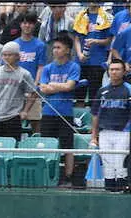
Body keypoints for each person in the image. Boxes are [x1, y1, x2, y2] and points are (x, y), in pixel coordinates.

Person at [39, 35, 80, 185]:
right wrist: (60, 86)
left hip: (65, 112)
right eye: (54, 48)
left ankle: (68, 176)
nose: (55, 50)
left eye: (58, 48)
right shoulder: (48, 68)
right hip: (48, 112)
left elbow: (70, 86)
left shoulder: (74, 67)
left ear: (68, 50)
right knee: (47, 144)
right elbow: (43, 88)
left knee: (67, 146)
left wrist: (53, 86)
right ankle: (46, 175)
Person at [90, 59, 131, 191]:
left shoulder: (130, 90)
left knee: (120, 163)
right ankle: (109, 192)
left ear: (124, 71)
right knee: (107, 165)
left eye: (117, 69)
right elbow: (95, 114)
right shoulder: (102, 91)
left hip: (124, 132)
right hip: (105, 132)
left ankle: (123, 191)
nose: (114, 72)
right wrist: (94, 136)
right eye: (112, 69)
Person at [0, 41, 35, 140]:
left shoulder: (24, 74)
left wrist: (25, 111)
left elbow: (33, 93)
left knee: (11, 148)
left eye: (10, 55)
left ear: (17, 56)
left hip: (13, 117)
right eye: (4, 55)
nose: (6, 57)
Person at [73, 1, 115, 106]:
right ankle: (79, 121)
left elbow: (109, 40)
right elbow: (77, 39)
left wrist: (96, 41)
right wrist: (79, 54)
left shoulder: (107, 17)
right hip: (81, 61)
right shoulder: (80, 16)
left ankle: (92, 121)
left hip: (97, 62)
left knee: (94, 97)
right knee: (79, 96)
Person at [14, 13, 47, 131]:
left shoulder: (40, 45)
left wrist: (35, 85)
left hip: (33, 88)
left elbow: (41, 66)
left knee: (36, 121)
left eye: (30, 23)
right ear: (20, 25)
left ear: (34, 25)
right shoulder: (14, 44)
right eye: (24, 23)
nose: (27, 25)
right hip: (16, 89)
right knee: (14, 121)